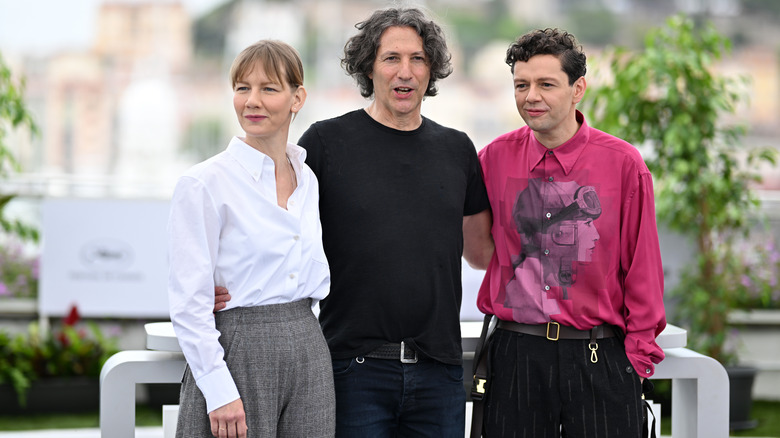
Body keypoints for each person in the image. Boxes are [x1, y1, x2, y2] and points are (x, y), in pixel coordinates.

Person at [215, 7, 491, 437]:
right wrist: (220, 281)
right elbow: (272, 225)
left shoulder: (457, 149)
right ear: (369, 68)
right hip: (352, 370)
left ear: (431, 69)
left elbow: (481, 252)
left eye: (417, 59)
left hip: (440, 372)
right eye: (391, 58)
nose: (406, 71)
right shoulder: (324, 143)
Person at [472, 28, 666, 437]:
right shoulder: (491, 159)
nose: (531, 96)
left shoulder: (624, 164)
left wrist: (635, 358)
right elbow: (476, 247)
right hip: (515, 356)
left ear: (578, 89)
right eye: (521, 85)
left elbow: (643, 268)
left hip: (600, 355)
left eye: (546, 84)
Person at [168, 40, 334, 438]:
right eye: (242, 88)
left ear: (298, 98)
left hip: (308, 344)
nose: (252, 101)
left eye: (268, 88)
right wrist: (218, 388)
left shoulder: (307, 179)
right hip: (237, 347)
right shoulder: (204, 183)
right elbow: (188, 304)